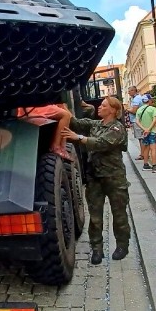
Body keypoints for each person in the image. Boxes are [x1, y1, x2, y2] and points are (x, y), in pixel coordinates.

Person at [62, 96, 129, 265]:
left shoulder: (117, 128)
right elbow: (76, 123)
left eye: (104, 105)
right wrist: (64, 106)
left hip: (114, 178)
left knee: (119, 215)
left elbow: (100, 143)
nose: (99, 107)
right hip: (95, 178)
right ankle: (97, 249)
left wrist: (78, 138)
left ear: (113, 110)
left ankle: (122, 246)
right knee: (95, 217)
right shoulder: (97, 124)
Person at [136, 95, 156, 171]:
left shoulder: (139, 110)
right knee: (153, 149)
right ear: (149, 100)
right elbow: (154, 120)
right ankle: (154, 166)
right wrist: (149, 129)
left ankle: (145, 165)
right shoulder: (153, 109)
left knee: (146, 148)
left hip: (144, 132)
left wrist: (144, 129)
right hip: (152, 131)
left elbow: (137, 121)